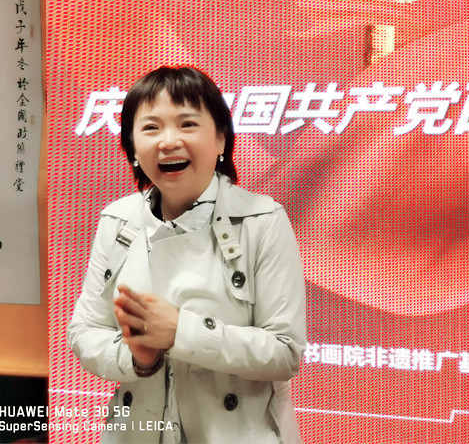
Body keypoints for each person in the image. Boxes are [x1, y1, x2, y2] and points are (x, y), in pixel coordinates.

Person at [68, 66, 306, 443]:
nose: (168, 141)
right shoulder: (118, 220)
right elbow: (85, 332)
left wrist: (181, 332)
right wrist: (138, 358)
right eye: (150, 127)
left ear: (221, 139)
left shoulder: (262, 220)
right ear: (132, 147)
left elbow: (284, 352)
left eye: (187, 124)